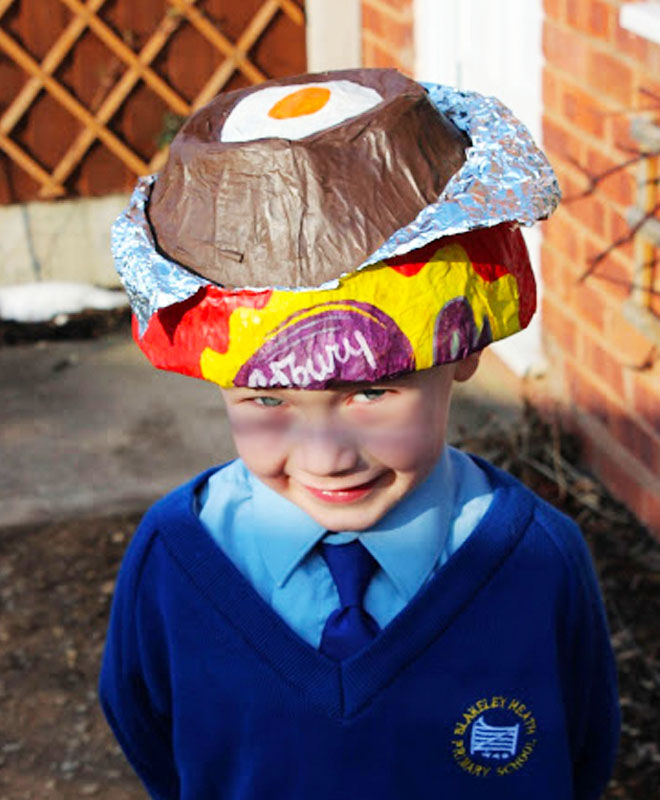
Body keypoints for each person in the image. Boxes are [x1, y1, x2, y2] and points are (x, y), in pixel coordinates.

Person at [100, 68, 619, 799]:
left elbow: (584, 749)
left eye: (372, 390)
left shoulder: (537, 562)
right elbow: (158, 742)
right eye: (267, 398)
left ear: (462, 348)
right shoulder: (174, 563)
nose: (326, 458)